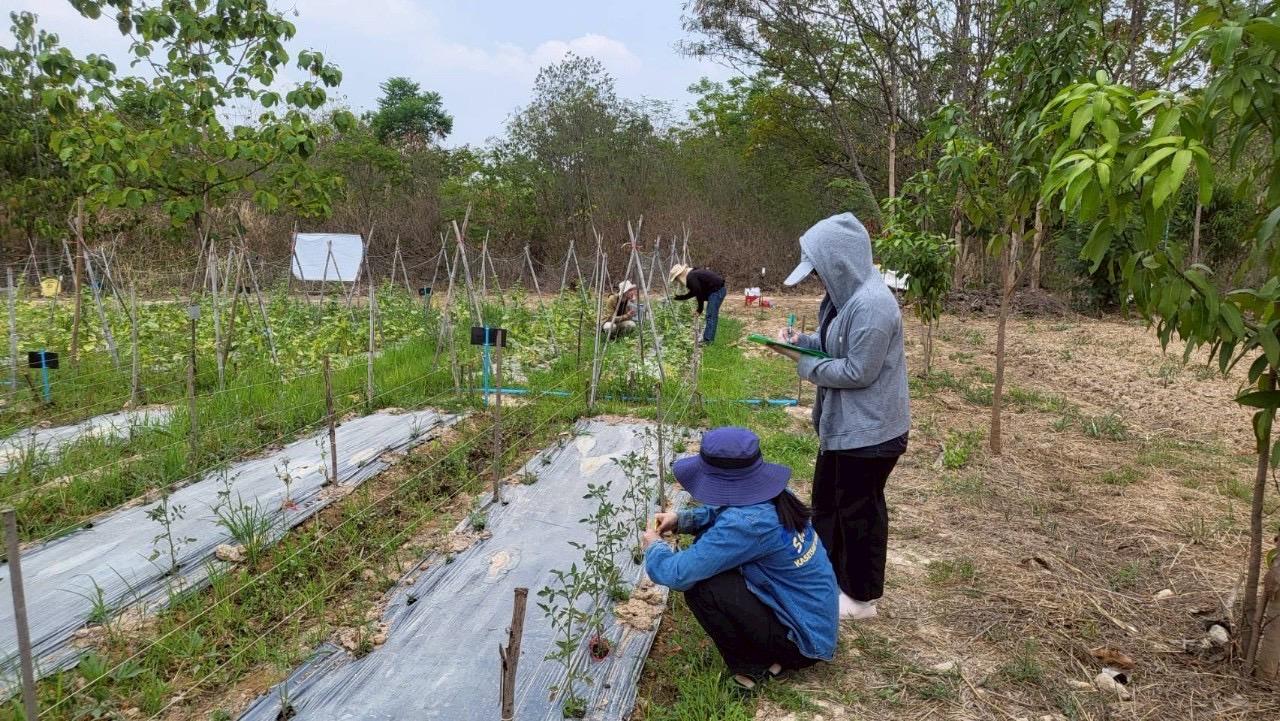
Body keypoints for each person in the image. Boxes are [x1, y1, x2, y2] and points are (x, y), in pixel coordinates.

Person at [767, 212, 910, 621]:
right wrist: (803, 341)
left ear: (840, 261)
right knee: (828, 503)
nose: (817, 279)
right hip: (843, 428)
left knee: (859, 511)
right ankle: (828, 580)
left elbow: (857, 371)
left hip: (872, 433)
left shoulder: (873, 306)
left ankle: (861, 598)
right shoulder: (840, 299)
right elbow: (834, 346)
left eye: (820, 268)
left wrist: (802, 363)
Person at [644, 426, 838, 690]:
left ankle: (752, 667)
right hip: (816, 622)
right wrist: (682, 520)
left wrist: (654, 546)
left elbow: (677, 574)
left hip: (802, 642)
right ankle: (773, 654)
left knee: (703, 587)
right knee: (715, 568)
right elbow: (724, 508)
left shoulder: (746, 524)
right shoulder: (776, 496)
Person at [669, 264, 727, 344]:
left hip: (716, 291)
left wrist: (699, 310)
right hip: (717, 290)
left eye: (676, 279)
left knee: (711, 315)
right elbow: (695, 291)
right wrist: (681, 297)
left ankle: (708, 341)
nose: (678, 281)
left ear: (679, 276)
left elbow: (698, 294)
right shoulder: (692, 274)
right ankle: (708, 339)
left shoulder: (690, 277)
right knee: (711, 315)